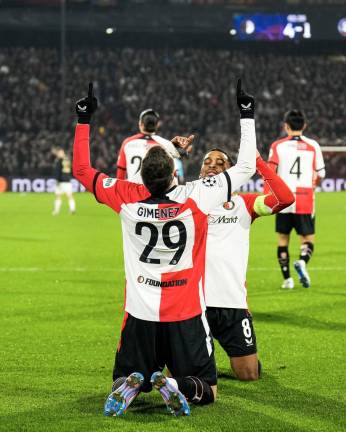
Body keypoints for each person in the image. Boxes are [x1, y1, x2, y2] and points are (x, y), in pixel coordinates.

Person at [73, 80, 256, 417]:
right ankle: (177, 386)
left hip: (140, 312)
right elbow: (245, 167)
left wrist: (83, 120)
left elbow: (82, 170)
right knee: (208, 390)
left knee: (126, 376)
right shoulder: (197, 196)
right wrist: (247, 114)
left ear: (140, 174)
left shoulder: (126, 197)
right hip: (185, 312)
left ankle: (131, 384)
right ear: (176, 172)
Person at [170, 139, 294, 381]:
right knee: (178, 374)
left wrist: (257, 161)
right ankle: (199, 358)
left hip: (232, 303)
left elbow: (284, 198)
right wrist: (172, 153)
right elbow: (156, 186)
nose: (212, 166)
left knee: (249, 374)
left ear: (231, 171)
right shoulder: (186, 201)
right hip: (195, 302)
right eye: (207, 162)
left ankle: (209, 358)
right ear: (200, 171)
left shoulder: (245, 204)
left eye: (220, 162)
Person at [267, 110, 325, 289]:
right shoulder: (313, 145)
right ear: (304, 126)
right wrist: (315, 183)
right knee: (307, 239)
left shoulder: (277, 146)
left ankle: (287, 280)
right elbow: (321, 173)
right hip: (305, 197)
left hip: (284, 199)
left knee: (283, 240)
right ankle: (302, 262)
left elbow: (270, 172)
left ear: (286, 126)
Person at [116, 108, 186, 184]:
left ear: (140, 124)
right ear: (157, 125)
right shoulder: (165, 144)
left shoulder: (127, 143)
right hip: (155, 192)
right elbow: (174, 175)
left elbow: (121, 173)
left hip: (132, 191)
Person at [52, 147, 76, 215]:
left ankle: (56, 211)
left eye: (59, 153)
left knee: (58, 196)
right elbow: (70, 169)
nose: (58, 154)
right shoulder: (67, 159)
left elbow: (57, 171)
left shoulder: (59, 160)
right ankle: (72, 209)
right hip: (67, 179)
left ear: (62, 153)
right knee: (69, 195)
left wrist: (57, 179)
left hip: (61, 181)